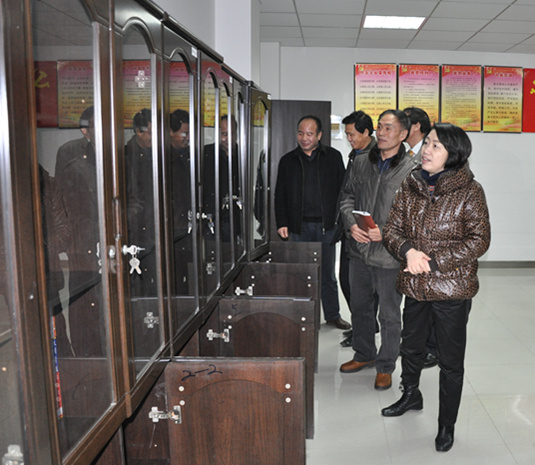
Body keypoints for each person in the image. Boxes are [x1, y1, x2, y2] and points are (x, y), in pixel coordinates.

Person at [381, 123, 491, 453]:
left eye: (436, 146)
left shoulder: (470, 191)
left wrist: (433, 262)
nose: (426, 150)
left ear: (453, 154)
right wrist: (408, 252)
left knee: (450, 362)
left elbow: (479, 240)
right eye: (427, 142)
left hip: (452, 290)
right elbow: (391, 229)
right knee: (411, 347)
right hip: (415, 285)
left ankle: (447, 424)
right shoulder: (411, 183)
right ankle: (411, 394)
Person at [338, 109, 417, 391]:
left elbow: (417, 216)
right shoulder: (361, 162)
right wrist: (350, 224)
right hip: (359, 250)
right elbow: (346, 197)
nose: (381, 133)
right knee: (360, 308)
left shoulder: (412, 170)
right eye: (380, 127)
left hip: (389, 256)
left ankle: (385, 366)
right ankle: (364, 354)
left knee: (389, 314)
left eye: (388, 128)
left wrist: (387, 233)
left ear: (403, 134)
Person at [275, 115, 349, 330]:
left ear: (319, 135)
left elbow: (344, 191)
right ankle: (301, 315)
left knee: (327, 275)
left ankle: (332, 315)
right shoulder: (288, 160)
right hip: (298, 227)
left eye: (309, 134)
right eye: (301, 133)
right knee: (300, 273)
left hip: (326, 227)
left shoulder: (333, 157)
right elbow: (280, 194)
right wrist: (282, 222)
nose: (304, 138)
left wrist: (341, 222)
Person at [55, 105, 105, 356]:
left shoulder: (117, 153)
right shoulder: (70, 154)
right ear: (86, 131)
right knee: (84, 304)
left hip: (112, 240)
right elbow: (62, 201)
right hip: (83, 245)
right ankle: (86, 360)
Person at [333, 111, 378, 347]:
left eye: (352, 134)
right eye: (347, 134)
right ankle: (362, 326)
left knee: (364, 288)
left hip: (365, 231)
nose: (349, 138)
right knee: (347, 281)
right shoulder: (356, 154)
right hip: (350, 227)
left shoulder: (376, 157)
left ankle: (364, 330)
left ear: (366, 132)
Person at [403, 107, 437, 368]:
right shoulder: (405, 156)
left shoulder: (433, 163)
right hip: (411, 246)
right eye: (428, 145)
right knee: (415, 305)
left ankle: (431, 348)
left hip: (433, 249)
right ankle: (415, 349)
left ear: (415, 126)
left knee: (436, 303)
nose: (429, 150)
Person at [125, 108, 156, 296]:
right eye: (151, 132)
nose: (155, 137)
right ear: (138, 131)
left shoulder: (161, 154)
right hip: (136, 233)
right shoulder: (125, 157)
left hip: (156, 232)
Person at [169, 108, 193, 294]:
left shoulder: (194, 155)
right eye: (184, 133)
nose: (188, 138)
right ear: (170, 132)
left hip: (191, 227)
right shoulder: (162, 158)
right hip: (173, 229)